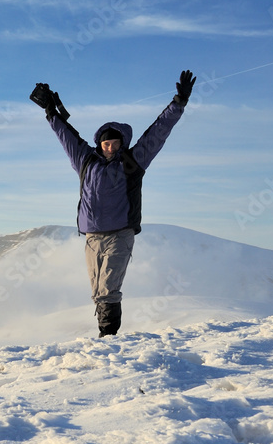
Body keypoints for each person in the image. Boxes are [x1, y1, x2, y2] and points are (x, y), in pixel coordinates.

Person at [34, 70, 195, 337]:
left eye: (115, 143)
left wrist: (178, 102)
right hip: (92, 236)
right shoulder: (85, 160)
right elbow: (66, 136)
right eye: (106, 143)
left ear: (122, 143)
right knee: (98, 290)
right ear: (100, 143)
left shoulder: (133, 162)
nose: (110, 147)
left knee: (109, 287)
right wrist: (51, 112)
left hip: (120, 233)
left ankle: (108, 336)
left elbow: (158, 132)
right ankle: (106, 335)